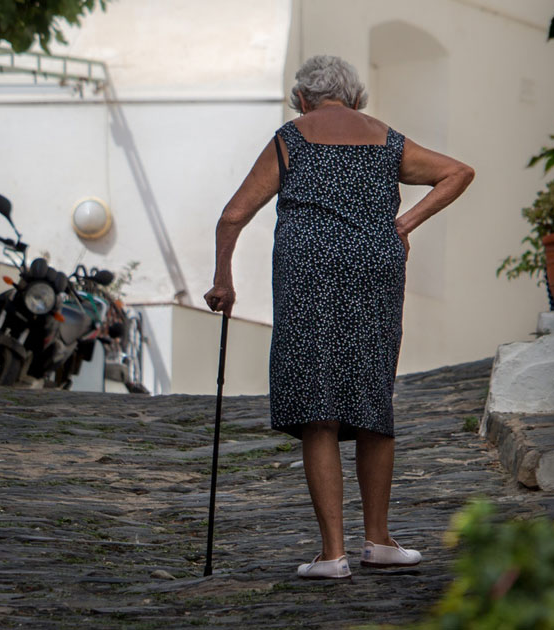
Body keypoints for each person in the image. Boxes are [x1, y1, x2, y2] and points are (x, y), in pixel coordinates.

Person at [203, 55, 475, 580]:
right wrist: (404, 223)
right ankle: (379, 540)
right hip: (374, 270)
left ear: (303, 98)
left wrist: (223, 280)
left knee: (317, 405)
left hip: (307, 273)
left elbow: (234, 215)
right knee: (372, 395)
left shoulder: (293, 136)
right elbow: (457, 172)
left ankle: (332, 555)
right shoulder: (385, 137)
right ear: (354, 98)